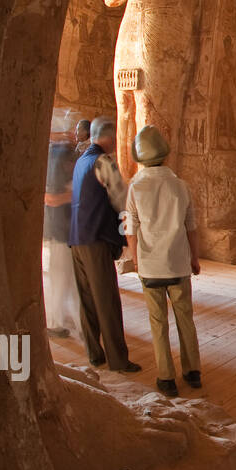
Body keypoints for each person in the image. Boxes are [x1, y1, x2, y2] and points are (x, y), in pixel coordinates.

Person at [124, 125, 201, 397]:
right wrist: (194, 256)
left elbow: (131, 229)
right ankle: (193, 372)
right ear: (165, 154)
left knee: (157, 322)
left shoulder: (136, 187)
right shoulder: (180, 185)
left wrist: (136, 261)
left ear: (140, 157)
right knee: (185, 318)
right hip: (178, 262)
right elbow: (190, 225)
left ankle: (166, 378)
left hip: (150, 264)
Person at [68, 116, 139, 372]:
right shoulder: (104, 163)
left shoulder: (80, 162)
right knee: (107, 301)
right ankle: (119, 360)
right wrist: (127, 239)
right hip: (96, 240)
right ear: (108, 137)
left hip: (76, 239)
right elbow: (122, 205)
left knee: (87, 300)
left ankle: (94, 354)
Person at [42, 110, 82, 340]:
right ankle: (57, 322)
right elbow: (51, 197)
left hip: (63, 227)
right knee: (62, 278)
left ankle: (72, 322)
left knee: (66, 278)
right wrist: (77, 195)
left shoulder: (61, 155)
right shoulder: (59, 156)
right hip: (62, 227)